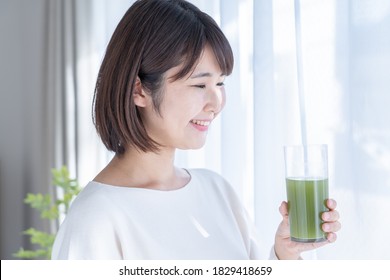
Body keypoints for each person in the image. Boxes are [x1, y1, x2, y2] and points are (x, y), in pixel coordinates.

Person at [51, 0, 340, 260]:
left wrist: (285, 254)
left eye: (221, 83)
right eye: (200, 85)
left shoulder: (218, 191)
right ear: (138, 89)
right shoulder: (96, 219)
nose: (216, 103)